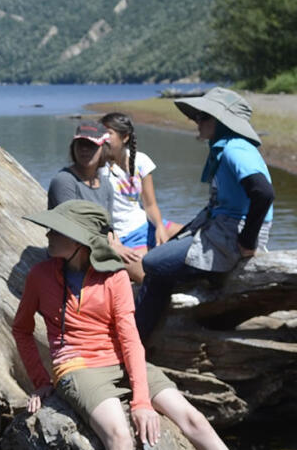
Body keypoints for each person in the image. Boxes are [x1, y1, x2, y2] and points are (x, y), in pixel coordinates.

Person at [12, 199, 297, 450]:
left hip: (120, 361)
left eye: (56, 230)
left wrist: (141, 398)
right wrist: (42, 378)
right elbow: (22, 329)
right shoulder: (41, 275)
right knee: (119, 436)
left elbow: (130, 341)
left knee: (196, 421)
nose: (47, 234)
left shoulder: (115, 277)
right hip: (76, 367)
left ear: (80, 240)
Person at [133, 87, 275, 342]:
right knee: (161, 271)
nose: (197, 122)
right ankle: (140, 341)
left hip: (231, 232)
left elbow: (263, 192)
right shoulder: (225, 148)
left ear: (222, 121)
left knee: (152, 263)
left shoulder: (235, 149)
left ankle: (136, 342)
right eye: (197, 116)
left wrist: (247, 242)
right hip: (221, 225)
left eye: (204, 117)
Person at [99, 112, 180, 282]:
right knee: (147, 273)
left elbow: (150, 205)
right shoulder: (99, 167)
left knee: (193, 233)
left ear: (125, 137)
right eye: (102, 132)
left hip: (145, 225)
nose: (104, 137)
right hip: (122, 236)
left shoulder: (141, 161)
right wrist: (114, 244)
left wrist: (159, 227)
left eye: (109, 133)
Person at [47, 121, 115, 218]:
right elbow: (68, 224)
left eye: (91, 145)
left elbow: (109, 224)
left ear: (104, 149)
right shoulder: (64, 181)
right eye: (80, 144)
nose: (84, 149)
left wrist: (110, 232)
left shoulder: (106, 185)